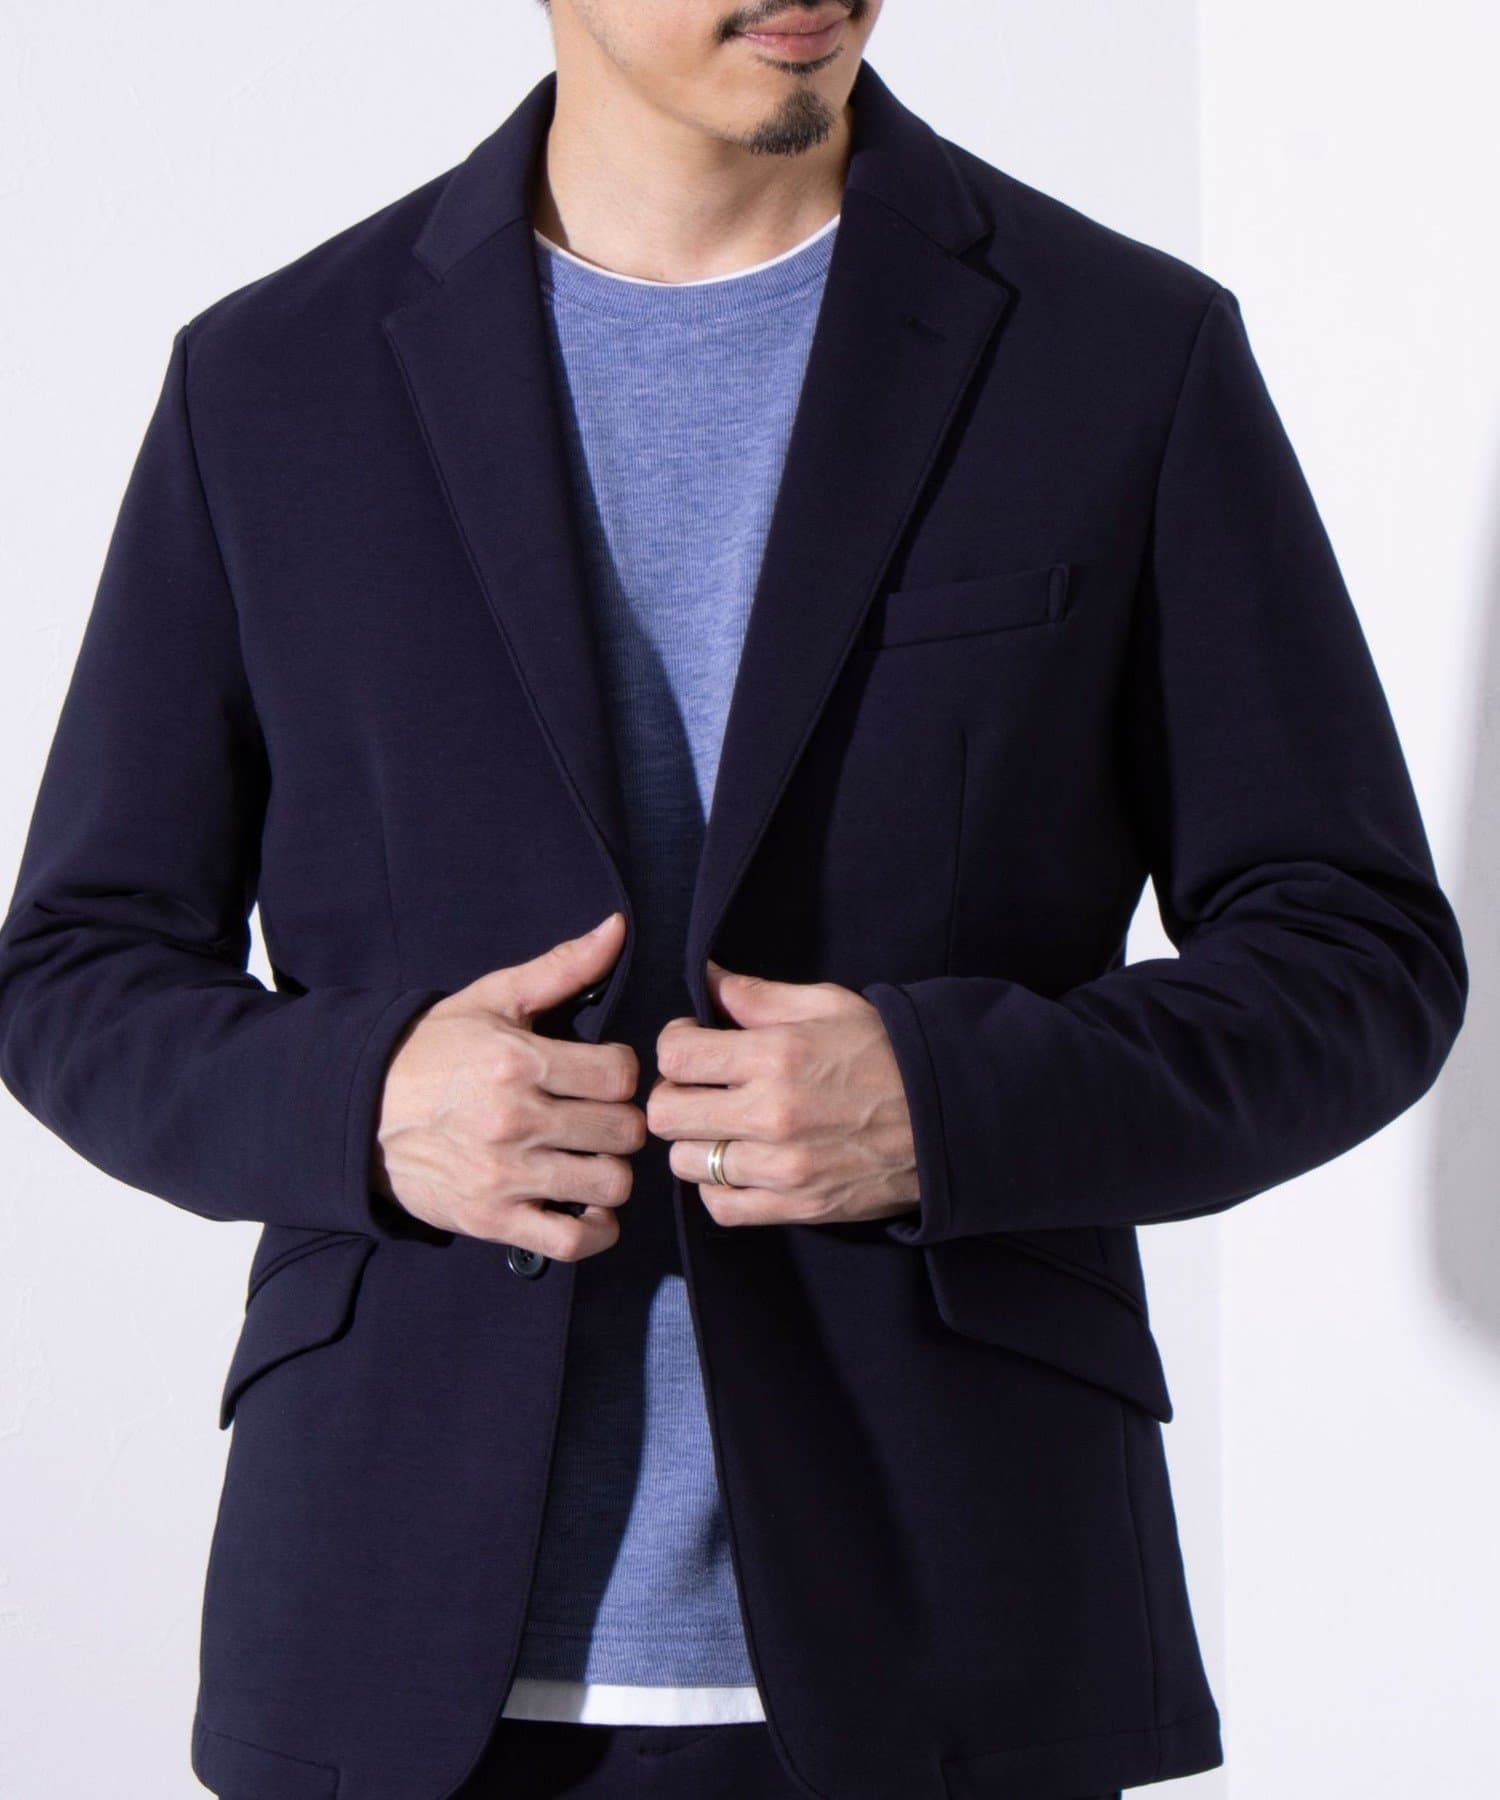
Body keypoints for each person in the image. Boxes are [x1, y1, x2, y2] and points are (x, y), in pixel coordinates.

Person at [0, 2, 1467, 1796]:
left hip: (961, 1633)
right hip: (393, 1640)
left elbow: (1356, 953)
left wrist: (950, 1100)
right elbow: (75, 968)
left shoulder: (1119, 348)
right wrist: (367, 1106)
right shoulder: (272, 381)